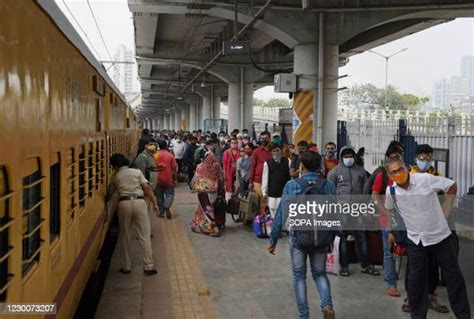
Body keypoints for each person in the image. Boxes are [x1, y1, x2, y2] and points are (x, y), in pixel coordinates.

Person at [384, 155, 471, 319]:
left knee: (454, 279)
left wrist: (446, 208)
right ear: (390, 176)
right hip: (416, 242)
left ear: (407, 168)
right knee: (416, 282)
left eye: (400, 169)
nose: (398, 173)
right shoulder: (392, 191)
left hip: (441, 238)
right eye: (394, 172)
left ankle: (463, 315)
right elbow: (389, 211)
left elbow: (451, 185)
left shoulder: (425, 179)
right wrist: (390, 231)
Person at [268, 152, 336, 319]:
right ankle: (327, 306)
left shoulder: (292, 185)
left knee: (299, 276)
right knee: (320, 274)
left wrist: (273, 239)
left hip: (298, 237)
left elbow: (282, 215)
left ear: (302, 167)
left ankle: (304, 316)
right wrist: (331, 236)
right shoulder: (327, 185)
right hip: (320, 237)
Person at [327, 146, 378, 277]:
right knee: (342, 238)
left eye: (350, 156)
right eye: (346, 156)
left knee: (361, 237)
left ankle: (365, 265)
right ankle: (344, 266)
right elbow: (330, 193)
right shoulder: (334, 173)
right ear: (341, 157)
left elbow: (365, 192)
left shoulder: (361, 172)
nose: (348, 159)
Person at [106, 154, 158, 276]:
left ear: (115, 166)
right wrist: (155, 203)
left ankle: (126, 266)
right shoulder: (136, 172)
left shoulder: (116, 176)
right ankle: (148, 266)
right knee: (144, 235)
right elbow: (147, 188)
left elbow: (109, 193)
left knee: (125, 235)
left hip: (123, 204)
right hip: (139, 202)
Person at [371, 143, 405, 298]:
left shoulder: (408, 173)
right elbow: (374, 194)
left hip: (407, 220)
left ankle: (413, 287)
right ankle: (391, 284)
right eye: (392, 158)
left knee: (411, 252)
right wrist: (384, 211)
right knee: (388, 252)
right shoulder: (382, 175)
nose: (395, 160)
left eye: (398, 156)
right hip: (388, 220)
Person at [191, 152, 223, 236]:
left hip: (202, 192)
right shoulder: (217, 166)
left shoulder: (200, 166)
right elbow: (221, 178)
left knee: (206, 210)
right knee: (210, 208)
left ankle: (214, 228)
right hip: (214, 191)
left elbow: (196, 178)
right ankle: (212, 225)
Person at [261, 143, 291, 219]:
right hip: (272, 192)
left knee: (285, 211)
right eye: (273, 151)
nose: (276, 153)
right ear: (271, 152)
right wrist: (264, 193)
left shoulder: (287, 161)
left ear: (281, 151)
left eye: (277, 151)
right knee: (273, 212)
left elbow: (291, 177)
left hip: (285, 191)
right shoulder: (267, 163)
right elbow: (265, 178)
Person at [249, 131, 272, 215]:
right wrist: (251, 182)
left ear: (269, 139)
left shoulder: (273, 151)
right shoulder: (257, 151)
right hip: (258, 180)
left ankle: (265, 218)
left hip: (271, 180)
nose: (264, 140)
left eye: (266, 138)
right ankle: (262, 219)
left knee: (268, 200)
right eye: (262, 139)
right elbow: (252, 167)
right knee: (263, 198)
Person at [154, 139, 178, 219]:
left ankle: (161, 213)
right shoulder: (170, 155)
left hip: (157, 178)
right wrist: (175, 179)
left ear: (158, 146)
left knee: (159, 196)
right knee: (170, 194)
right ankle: (167, 206)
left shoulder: (155, 155)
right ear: (166, 146)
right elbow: (174, 169)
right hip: (168, 178)